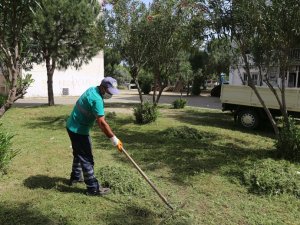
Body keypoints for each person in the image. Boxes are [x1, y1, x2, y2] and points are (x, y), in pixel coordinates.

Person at [66, 77, 123, 196]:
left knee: (79, 153)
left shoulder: (92, 89)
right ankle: (93, 188)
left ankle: (75, 177)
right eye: (109, 92)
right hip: (78, 130)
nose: (110, 95)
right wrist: (114, 139)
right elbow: (101, 122)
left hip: (72, 125)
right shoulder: (97, 99)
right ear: (102, 87)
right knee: (87, 158)